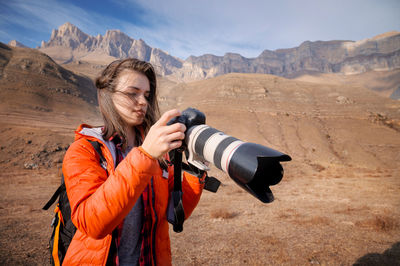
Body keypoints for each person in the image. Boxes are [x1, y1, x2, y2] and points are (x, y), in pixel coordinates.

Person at [62, 58, 205, 265]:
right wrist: (145, 155)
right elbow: (93, 224)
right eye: (132, 93)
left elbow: (176, 212)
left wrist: (196, 167)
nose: (143, 102)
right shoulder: (84, 150)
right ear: (107, 94)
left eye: (147, 95)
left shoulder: (160, 153)